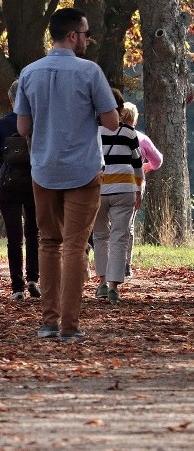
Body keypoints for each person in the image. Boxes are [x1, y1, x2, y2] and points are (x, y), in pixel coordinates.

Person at [14, 7, 119, 342]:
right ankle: (69, 326)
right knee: (75, 245)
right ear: (73, 36)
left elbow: (23, 126)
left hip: (43, 169)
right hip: (83, 169)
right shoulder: (90, 73)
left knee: (48, 242)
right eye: (86, 33)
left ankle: (48, 321)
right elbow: (113, 122)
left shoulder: (29, 73)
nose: (88, 39)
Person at [0, 80, 40, 301]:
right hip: (35, 183)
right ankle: (33, 278)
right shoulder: (37, 123)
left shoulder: (0, 125)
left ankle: (17, 287)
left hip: (8, 184)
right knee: (34, 232)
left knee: (14, 237)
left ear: (11, 99)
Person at [92, 99, 142, 303]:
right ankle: (114, 287)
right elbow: (138, 163)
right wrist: (138, 189)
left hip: (98, 190)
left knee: (99, 236)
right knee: (119, 237)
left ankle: (102, 283)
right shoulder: (130, 133)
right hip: (124, 189)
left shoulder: (93, 132)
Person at [120, 101, 162, 277]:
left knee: (109, 225)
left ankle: (109, 263)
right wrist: (146, 167)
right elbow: (158, 160)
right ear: (135, 120)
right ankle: (126, 265)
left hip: (109, 183)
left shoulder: (108, 135)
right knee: (128, 225)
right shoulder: (142, 139)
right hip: (135, 184)